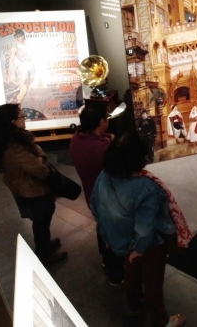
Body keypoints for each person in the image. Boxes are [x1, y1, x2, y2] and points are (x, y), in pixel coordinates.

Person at [90, 132, 191, 327]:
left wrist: (107, 234)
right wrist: (139, 249)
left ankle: (134, 306)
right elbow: (145, 229)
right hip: (148, 245)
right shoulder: (145, 186)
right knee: (153, 283)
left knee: (131, 274)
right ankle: (161, 321)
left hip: (120, 239)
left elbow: (95, 206)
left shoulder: (104, 175)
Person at [0, 103, 67, 266]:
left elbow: (35, 150)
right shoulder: (14, 146)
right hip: (32, 190)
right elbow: (41, 171)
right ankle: (44, 254)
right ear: (13, 121)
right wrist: (40, 159)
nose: (24, 119)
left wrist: (38, 155)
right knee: (41, 221)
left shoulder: (5, 140)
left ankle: (45, 245)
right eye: (22, 116)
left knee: (42, 220)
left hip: (22, 186)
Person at [69, 103, 124, 284]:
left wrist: (107, 138)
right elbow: (121, 171)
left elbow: (95, 140)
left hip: (91, 194)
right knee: (112, 233)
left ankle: (105, 259)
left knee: (102, 228)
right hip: (107, 197)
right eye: (106, 119)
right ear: (102, 121)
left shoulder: (76, 138)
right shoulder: (102, 150)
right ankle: (115, 274)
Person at [3, 29, 36, 103]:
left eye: (19, 36)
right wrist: (8, 73)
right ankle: (18, 104)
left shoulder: (29, 45)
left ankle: (13, 99)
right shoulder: (15, 48)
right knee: (23, 86)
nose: (17, 39)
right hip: (22, 68)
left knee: (28, 84)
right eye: (16, 37)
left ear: (23, 36)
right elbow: (10, 61)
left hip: (31, 66)